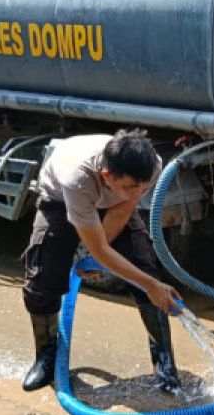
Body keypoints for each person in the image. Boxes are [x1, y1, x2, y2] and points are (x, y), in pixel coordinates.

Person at [22, 129, 183, 393]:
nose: (140, 192)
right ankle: (46, 360)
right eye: (133, 186)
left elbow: (125, 205)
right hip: (60, 200)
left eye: (143, 186)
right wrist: (98, 255)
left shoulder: (149, 164)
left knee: (144, 269)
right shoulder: (76, 180)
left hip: (112, 199)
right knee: (43, 277)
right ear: (107, 175)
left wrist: (103, 261)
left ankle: (165, 364)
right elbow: (97, 248)